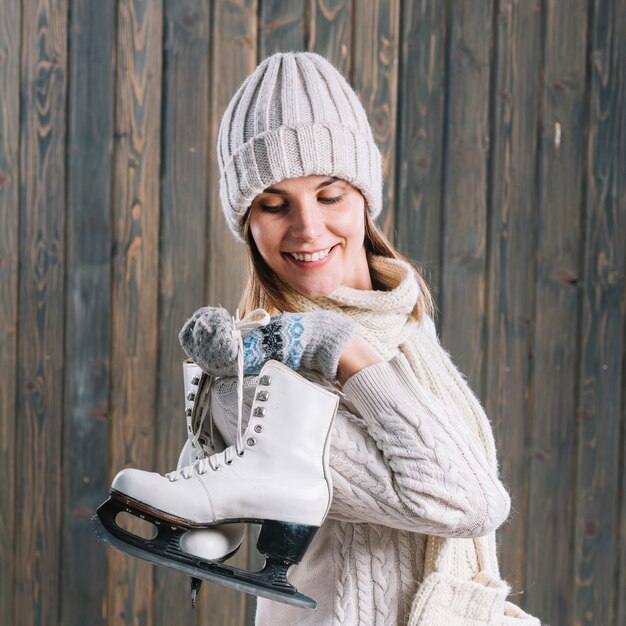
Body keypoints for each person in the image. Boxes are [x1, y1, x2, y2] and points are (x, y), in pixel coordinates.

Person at [174, 51, 540, 625]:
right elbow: (469, 500)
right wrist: (333, 345)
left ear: (364, 198)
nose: (308, 228)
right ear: (248, 223)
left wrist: (342, 343)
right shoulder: (249, 383)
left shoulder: (407, 330)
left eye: (329, 195)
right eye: (274, 205)